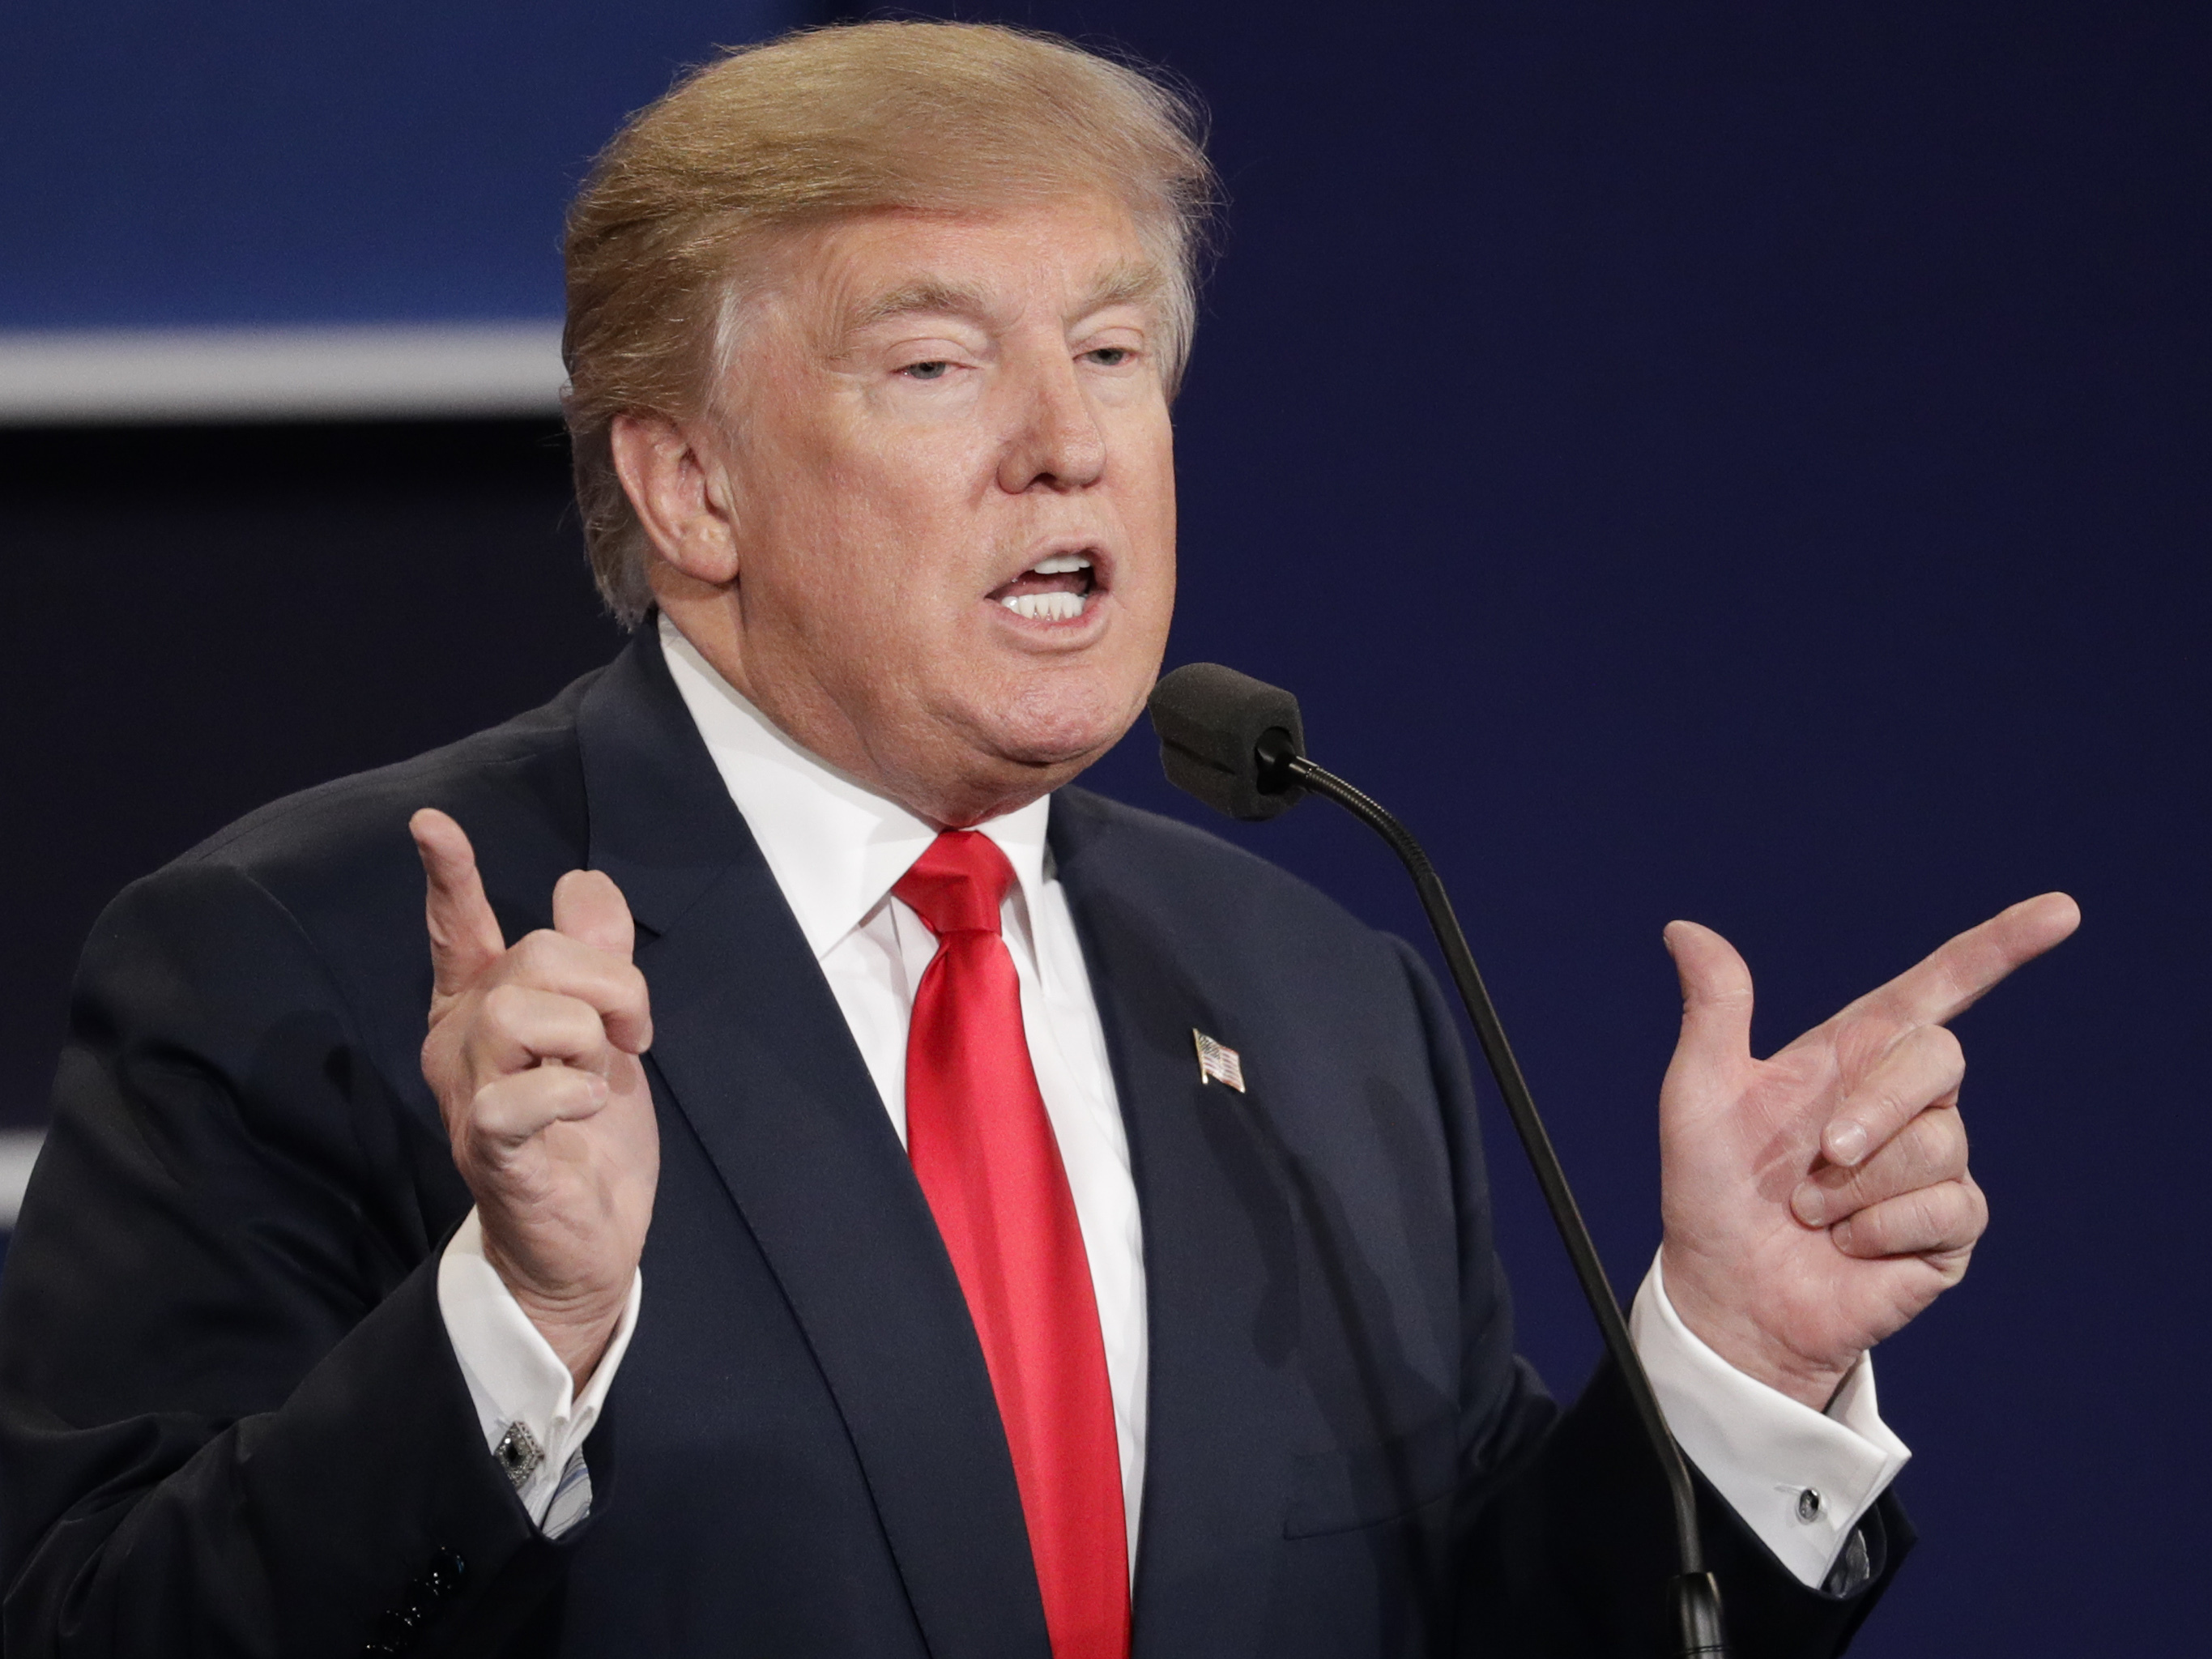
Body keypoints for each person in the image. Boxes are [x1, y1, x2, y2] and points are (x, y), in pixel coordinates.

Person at [0, 22, 2076, 1658]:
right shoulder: (306, 958)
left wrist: (1734, 1364)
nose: (1068, 442)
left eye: (1108, 353)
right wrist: (514, 1328)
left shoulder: (1319, 998)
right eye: (936, 364)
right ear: (692, 488)